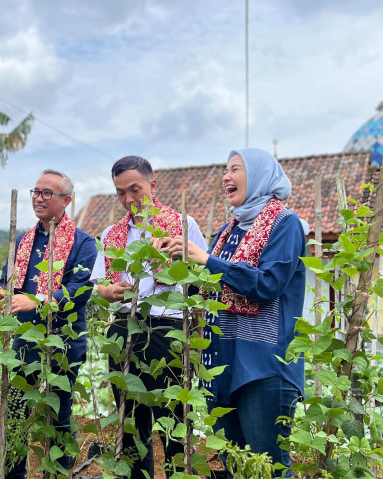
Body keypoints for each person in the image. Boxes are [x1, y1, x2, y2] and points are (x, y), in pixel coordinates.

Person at [157, 149, 306, 478]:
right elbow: (212, 288)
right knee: (234, 466)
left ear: (260, 176)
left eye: (235, 169)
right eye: (225, 170)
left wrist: (206, 260)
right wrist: (174, 269)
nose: (226, 176)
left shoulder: (286, 224)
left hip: (264, 367)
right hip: (221, 363)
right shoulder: (229, 230)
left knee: (268, 467)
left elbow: (267, 286)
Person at [91, 156, 208, 479]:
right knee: (130, 425)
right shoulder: (111, 233)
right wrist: (107, 291)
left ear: (152, 185)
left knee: (174, 420)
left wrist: (178, 263)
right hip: (123, 327)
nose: (128, 200)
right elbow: (98, 283)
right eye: (120, 193)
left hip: (167, 329)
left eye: (135, 189)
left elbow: (204, 276)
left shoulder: (183, 224)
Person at [0, 169, 98, 478]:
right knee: (18, 407)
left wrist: (40, 300)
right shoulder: (24, 241)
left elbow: (81, 290)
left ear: (66, 201)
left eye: (47, 193)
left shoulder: (83, 244)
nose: (38, 198)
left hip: (64, 341)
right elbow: (11, 284)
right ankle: (14, 473)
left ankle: (58, 471)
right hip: (27, 337)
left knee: (58, 409)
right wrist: (0, 293)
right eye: (36, 191)